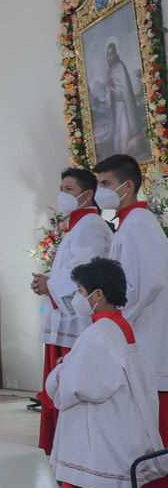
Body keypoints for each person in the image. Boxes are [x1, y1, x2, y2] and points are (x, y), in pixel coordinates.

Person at [46, 257, 166, 488]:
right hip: (115, 436)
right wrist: (71, 364)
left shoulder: (99, 333)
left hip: (98, 449)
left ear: (97, 294)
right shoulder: (120, 326)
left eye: (79, 291)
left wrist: (60, 371)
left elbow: (74, 387)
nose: (75, 297)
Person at [30, 168, 113, 454]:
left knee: (66, 385)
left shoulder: (90, 225)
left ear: (87, 194)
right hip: (65, 321)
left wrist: (49, 283)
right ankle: (58, 448)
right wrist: (49, 283)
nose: (63, 195)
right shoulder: (79, 225)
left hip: (75, 325)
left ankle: (65, 448)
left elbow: (84, 272)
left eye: (69, 190)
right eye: (62, 188)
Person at [93, 155, 168, 450]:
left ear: (127, 186)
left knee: (154, 425)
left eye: (105, 184)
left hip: (146, 332)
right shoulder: (128, 224)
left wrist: (118, 319)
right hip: (137, 330)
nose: (101, 191)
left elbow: (151, 280)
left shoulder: (139, 223)